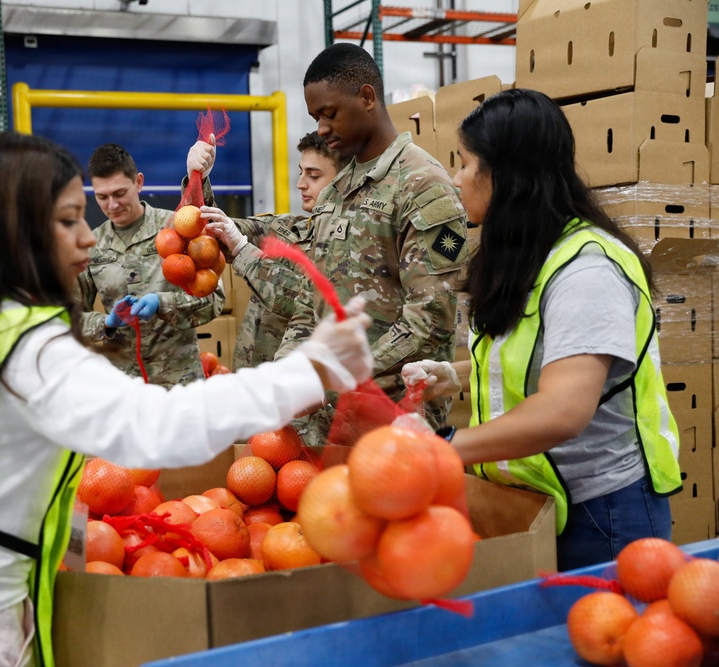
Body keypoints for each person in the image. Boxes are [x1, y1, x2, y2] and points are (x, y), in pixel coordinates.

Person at [0, 131, 373, 667]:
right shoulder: (23, 345)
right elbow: (162, 426)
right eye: (70, 220)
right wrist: (308, 369)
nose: (90, 236)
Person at [401, 88, 682, 571]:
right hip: (541, 501)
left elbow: (562, 410)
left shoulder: (587, 268)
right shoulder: (531, 255)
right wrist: (455, 374)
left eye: (465, 164)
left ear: (506, 175)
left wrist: (444, 448)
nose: (455, 178)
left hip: (604, 515)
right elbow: (538, 358)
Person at [300, 42, 470, 430]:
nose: (321, 129)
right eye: (315, 118)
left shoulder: (422, 186)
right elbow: (314, 297)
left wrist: (338, 377)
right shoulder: (336, 189)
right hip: (333, 413)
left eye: (329, 114)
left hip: (396, 413)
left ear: (366, 97)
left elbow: (431, 318)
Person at [186, 131, 347, 445]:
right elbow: (208, 231)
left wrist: (244, 250)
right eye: (301, 173)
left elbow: (304, 296)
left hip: (307, 423)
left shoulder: (352, 252)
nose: (301, 183)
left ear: (345, 183)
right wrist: (198, 178)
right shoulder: (288, 229)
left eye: (313, 176)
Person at [77, 143, 225, 387]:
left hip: (179, 383)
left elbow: (214, 299)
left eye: (119, 193)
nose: (112, 205)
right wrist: (106, 322)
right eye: (102, 197)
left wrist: (163, 304)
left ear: (138, 182)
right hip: (124, 387)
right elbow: (69, 318)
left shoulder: (177, 227)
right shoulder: (91, 247)